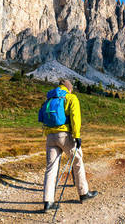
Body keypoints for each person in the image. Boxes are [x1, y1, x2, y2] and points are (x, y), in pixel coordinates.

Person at [42, 79, 98, 212]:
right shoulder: (71, 97)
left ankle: (48, 202)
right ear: (69, 88)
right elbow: (75, 117)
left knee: (51, 168)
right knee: (77, 161)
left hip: (50, 136)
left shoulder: (50, 98)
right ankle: (83, 193)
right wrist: (77, 136)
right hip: (65, 135)